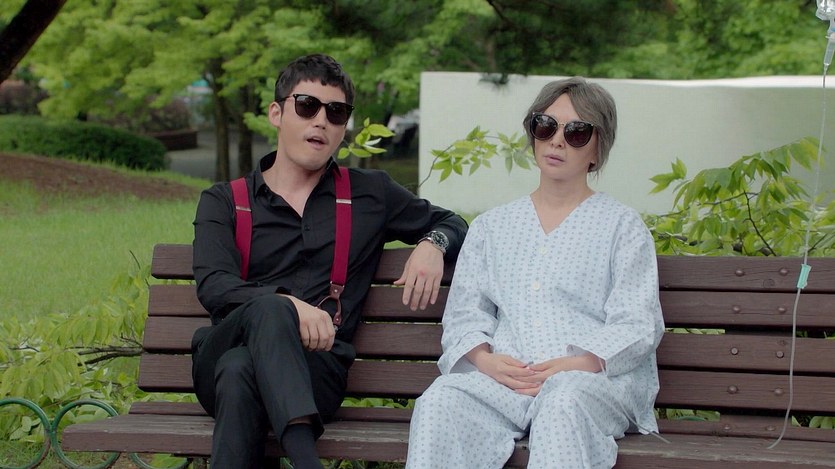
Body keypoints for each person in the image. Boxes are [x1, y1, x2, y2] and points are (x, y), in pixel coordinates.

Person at [190, 53, 467, 469]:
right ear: (276, 113)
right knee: (264, 317)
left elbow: (453, 223)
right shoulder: (225, 200)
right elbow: (214, 285)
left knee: (239, 371)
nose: (321, 120)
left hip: (316, 371)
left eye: (336, 112)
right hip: (221, 352)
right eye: (307, 106)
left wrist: (433, 243)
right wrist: (289, 306)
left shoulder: (370, 194)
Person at [405, 77, 664, 469]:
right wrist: (486, 361)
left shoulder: (622, 227)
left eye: (576, 132)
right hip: (506, 381)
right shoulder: (492, 227)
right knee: (441, 401)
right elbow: (464, 314)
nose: (557, 141)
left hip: (591, 384)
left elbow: (637, 322)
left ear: (598, 148)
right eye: (546, 126)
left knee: (563, 399)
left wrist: (577, 364)